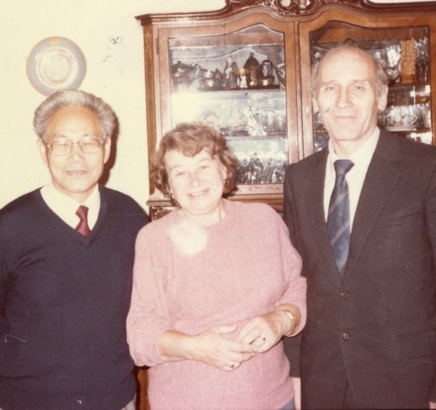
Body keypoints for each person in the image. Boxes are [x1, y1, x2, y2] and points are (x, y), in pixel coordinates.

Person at [283, 44, 436, 409]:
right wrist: (295, 373)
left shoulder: (432, 169)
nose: (343, 101)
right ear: (315, 100)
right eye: (330, 88)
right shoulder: (299, 178)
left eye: (358, 87)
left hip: (408, 382)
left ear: (382, 97)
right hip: (323, 381)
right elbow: (297, 281)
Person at [0, 89, 149, 410]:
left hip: (114, 400)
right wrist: (25, 374)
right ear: (43, 150)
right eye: (62, 143)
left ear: (107, 148)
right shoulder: (6, 228)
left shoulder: (132, 218)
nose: (76, 157)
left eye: (88, 142)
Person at [126, 122, 306, 410]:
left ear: (223, 169)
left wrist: (281, 320)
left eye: (203, 166)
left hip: (273, 400)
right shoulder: (155, 239)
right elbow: (140, 337)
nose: (194, 181)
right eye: (180, 172)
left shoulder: (264, 220)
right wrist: (196, 348)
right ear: (168, 185)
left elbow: (296, 286)